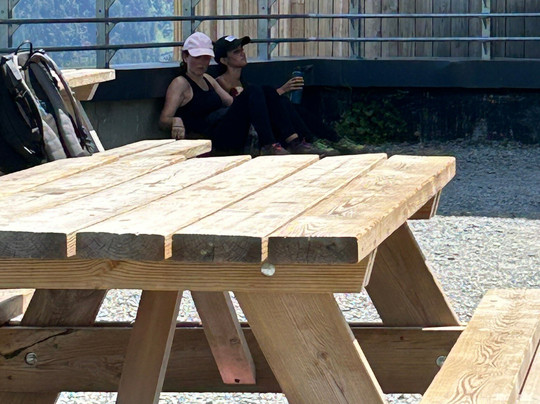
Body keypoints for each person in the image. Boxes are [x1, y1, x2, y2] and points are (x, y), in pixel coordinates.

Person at [213, 35, 364, 155]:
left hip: (258, 127)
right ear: (224, 60)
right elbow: (240, 109)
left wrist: (279, 92)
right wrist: (281, 91)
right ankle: (297, 142)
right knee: (273, 97)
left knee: (289, 105)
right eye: (236, 52)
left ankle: (326, 140)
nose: (242, 54)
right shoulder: (220, 83)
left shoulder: (244, 81)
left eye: (242, 50)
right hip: (237, 134)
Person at [159, 32, 292, 155]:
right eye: (197, 57)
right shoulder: (180, 83)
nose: (202, 63)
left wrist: (245, 98)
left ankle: (292, 140)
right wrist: (176, 120)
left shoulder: (208, 79)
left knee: (266, 91)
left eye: (206, 58)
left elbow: (231, 102)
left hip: (224, 128)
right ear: (185, 57)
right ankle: (268, 144)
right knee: (253, 91)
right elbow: (164, 119)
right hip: (209, 138)